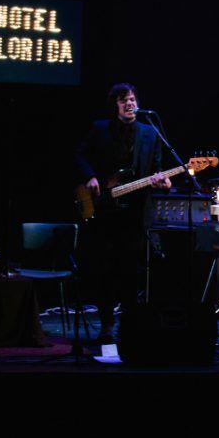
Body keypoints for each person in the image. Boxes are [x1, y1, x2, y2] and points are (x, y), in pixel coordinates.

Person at [74, 83, 171, 343]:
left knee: (131, 271)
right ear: (115, 105)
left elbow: (158, 169)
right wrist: (91, 177)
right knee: (104, 269)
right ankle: (106, 324)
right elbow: (80, 156)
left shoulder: (150, 133)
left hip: (135, 213)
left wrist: (164, 181)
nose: (129, 103)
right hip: (105, 211)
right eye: (122, 100)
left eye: (131, 99)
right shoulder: (100, 129)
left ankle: (129, 323)